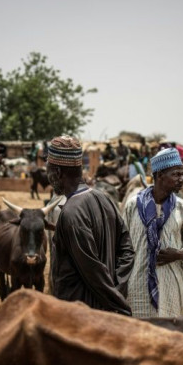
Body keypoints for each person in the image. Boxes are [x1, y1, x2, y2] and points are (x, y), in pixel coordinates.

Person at [47, 135, 134, 315]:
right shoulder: (105, 199)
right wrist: (117, 289)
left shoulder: (71, 213)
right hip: (103, 309)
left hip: (79, 315)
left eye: (48, 169)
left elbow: (92, 271)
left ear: (57, 171)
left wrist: (118, 304)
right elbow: (127, 250)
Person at [123, 147, 183, 318]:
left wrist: (180, 253)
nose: (182, 179)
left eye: (182, 174)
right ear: (159, 175)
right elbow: (121, 244)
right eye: (176, 174)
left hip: (172, 287)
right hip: (137, 288)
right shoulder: (132, 206)